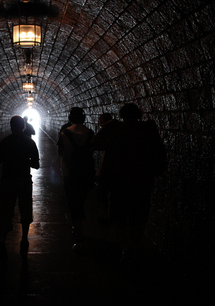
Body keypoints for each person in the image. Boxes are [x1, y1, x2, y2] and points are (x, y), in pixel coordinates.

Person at [92, 103, 165, 262]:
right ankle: (135, 246)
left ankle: (125, 247)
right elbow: (159, 151)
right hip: (142, 180)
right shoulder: (148, 129)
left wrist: (108, 126)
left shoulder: (116, 129)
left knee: (117, 215)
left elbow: (96, 143)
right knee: (138, 216)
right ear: (139, 114)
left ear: (122, 115)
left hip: (119, 180)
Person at [0, 116, 40, 267]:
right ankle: (24, 238)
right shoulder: (29, 142)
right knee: (25, 209)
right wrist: (27, 161)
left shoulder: (5, 142)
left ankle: (1, 241)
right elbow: (36, 164)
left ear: (11, 126)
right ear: (24, 126)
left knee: (5, 210)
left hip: (7, 181)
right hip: (24, 180)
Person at [57, 107, 95, 251]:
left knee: (73, 203)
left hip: (69, 173)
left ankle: (79, 236)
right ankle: (80, 228)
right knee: (82, 200)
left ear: (70, 118)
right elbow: (91, 150)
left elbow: (60, 153)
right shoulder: (90, 133)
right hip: (85, 173)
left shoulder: (65, 133)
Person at [95, 113, 114, 225]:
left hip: (108, 169)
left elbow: (96, 144)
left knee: (102, 193)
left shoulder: (107, 131)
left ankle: (105, 216)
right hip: (122, 170)